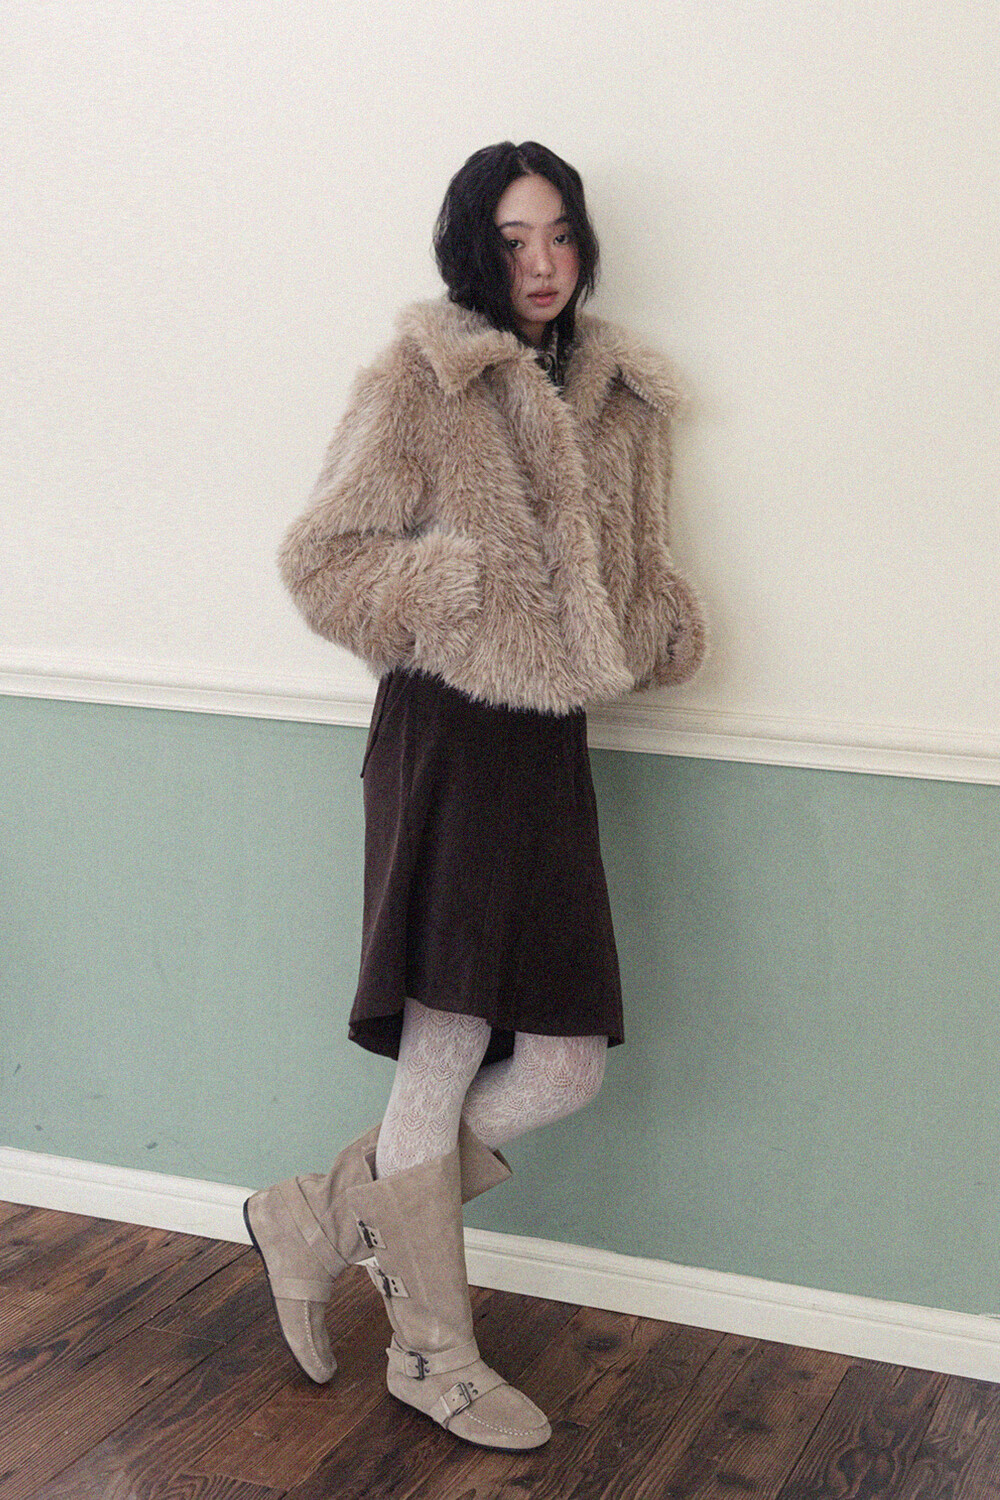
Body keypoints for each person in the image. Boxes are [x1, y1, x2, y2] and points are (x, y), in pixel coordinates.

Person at [244, 141, 706, 1452]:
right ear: (472, 249)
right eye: (513, 241)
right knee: (442, 1050)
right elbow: (321, 556)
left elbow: (633, 567)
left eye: (559, 234)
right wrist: (448, 590)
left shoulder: (619, 394)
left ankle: (323, 1215)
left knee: (562, 1063)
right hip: (448, 736)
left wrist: (654, 625)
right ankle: (432, 1357)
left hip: (549, 749)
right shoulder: (424, 378)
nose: (543, 264)